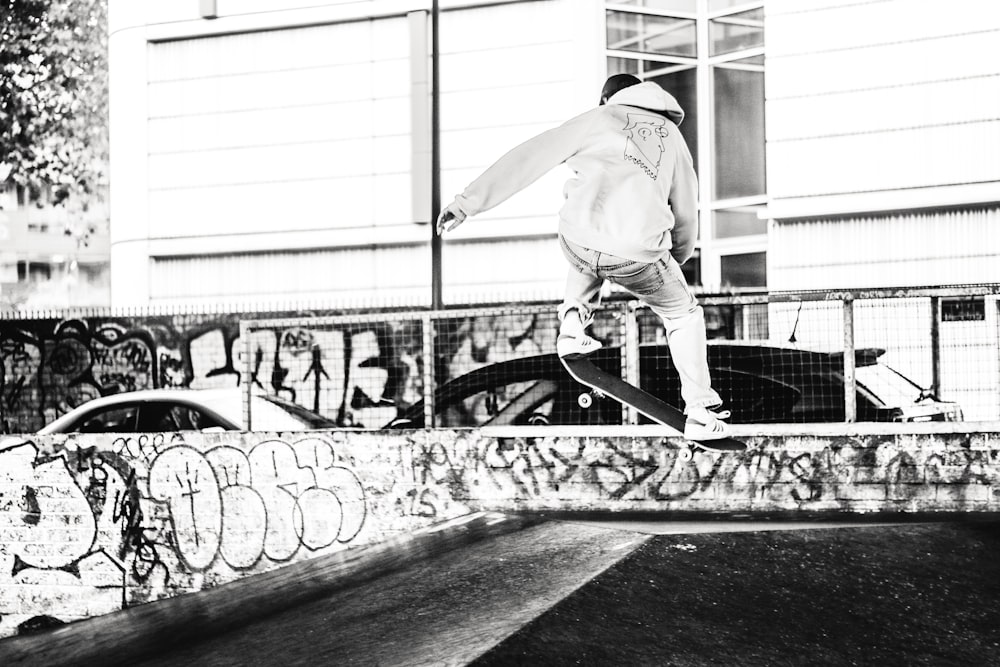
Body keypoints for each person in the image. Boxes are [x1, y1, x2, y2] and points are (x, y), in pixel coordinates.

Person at [436, 74, 729, 440]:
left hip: (578, 241)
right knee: (683, 313)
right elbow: (686, 207)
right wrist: (680, 256)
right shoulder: (671, 137)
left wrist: (466, 204)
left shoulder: (596, 119)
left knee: (586, 242)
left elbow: (529, 156)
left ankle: (573, 325)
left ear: (607, 98)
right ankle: (700, 409)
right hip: (638, 255)